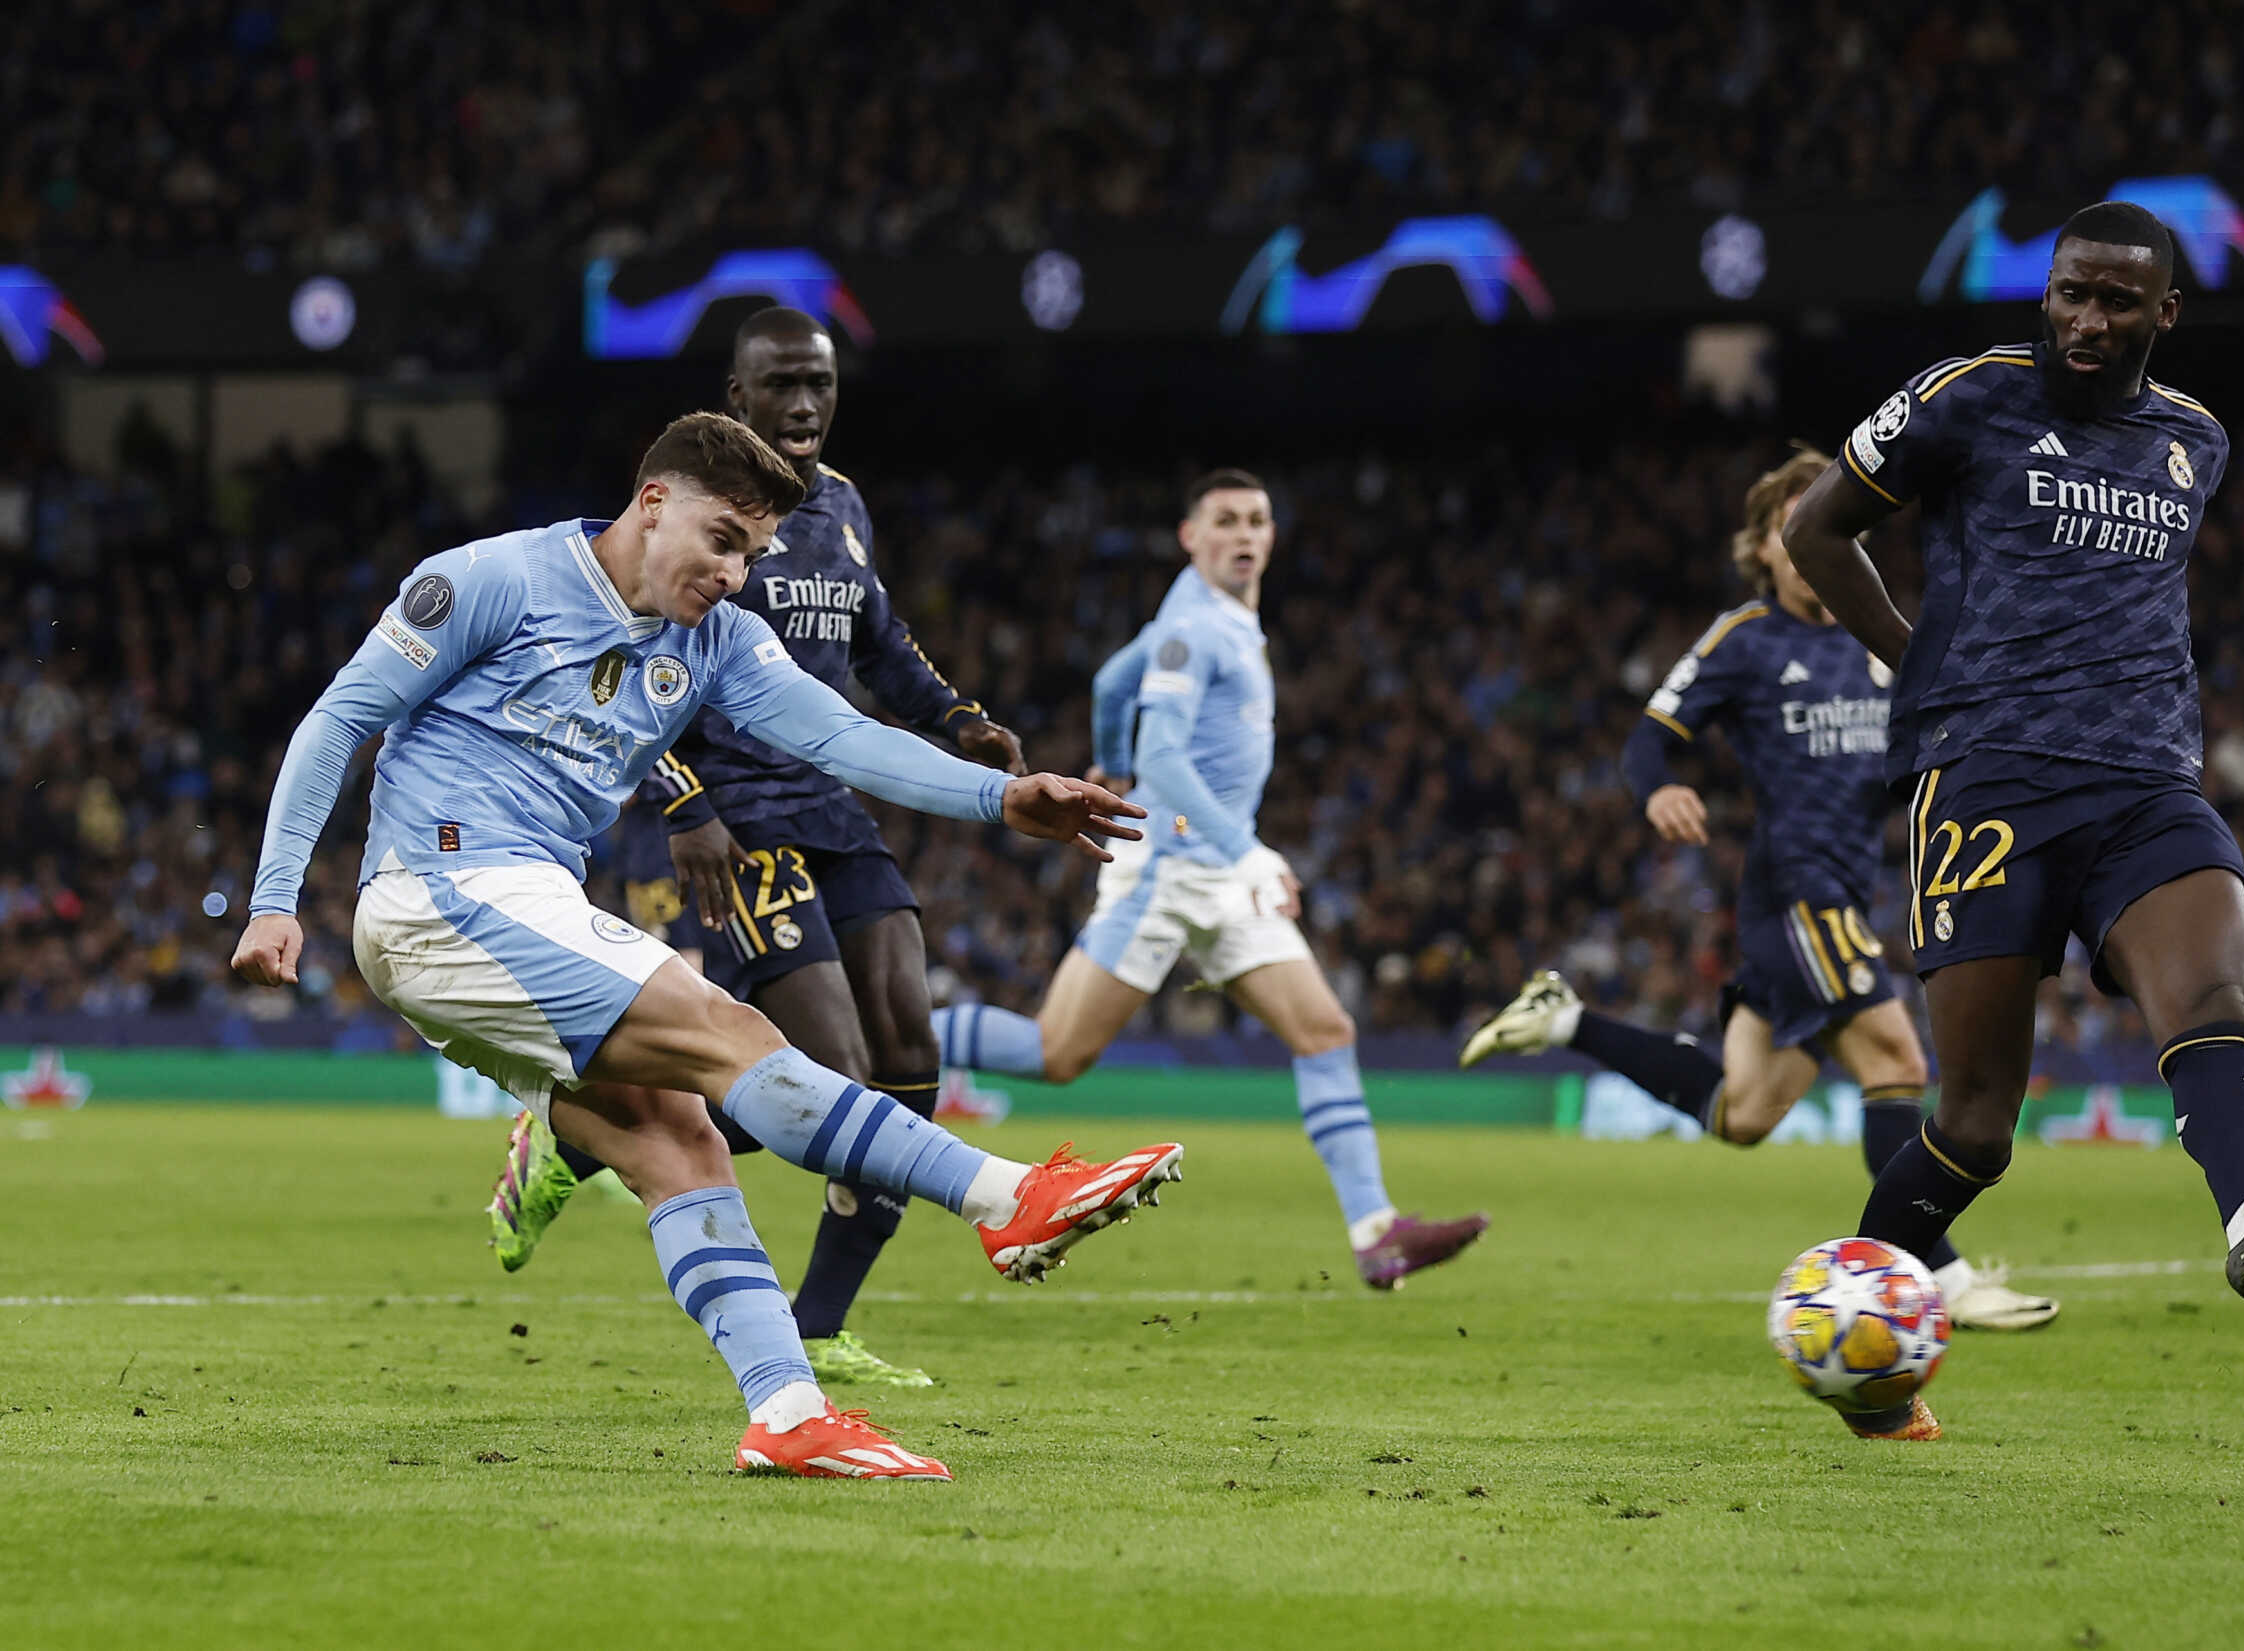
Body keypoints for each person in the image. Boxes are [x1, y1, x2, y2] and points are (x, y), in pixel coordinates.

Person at [234, 411, 1184, 1480]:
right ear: (653, 503)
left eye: (753, 553)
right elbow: (339, 720)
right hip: (439, 888)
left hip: (516, 901)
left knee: (676, 1139)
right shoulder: (493, 579)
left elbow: (841, 735)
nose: (735, 573)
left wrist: (999, 797)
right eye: (722, 539)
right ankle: (1008, 1198)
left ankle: (787, 1412)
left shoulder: (718, 640)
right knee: (729, 1030)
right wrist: (275, 899)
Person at [1779, 201, 2244, 1440]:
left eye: (2116, 301)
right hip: (1987, 782)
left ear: (2163, 313)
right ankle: (1859, 1350)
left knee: (2210, 995)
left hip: (2144, 781)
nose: (2086, 317)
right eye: (2071, 292)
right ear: (2048, 293)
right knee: (1974, 1127)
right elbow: (1817, 529)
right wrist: (1917, 665)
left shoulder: (2194, 440)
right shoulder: (1966, 396)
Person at [485, 306, 1026, 1393]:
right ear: (737, 398)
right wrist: (684, 800)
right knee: (831, 1076)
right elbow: (626, 665)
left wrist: (956, 720)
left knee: (907, 1059)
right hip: (734, 814)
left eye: (820, 382)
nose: (806, 402)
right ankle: (578, 1136)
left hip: (829, 806)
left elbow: (881, 641)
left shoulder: (844, 508)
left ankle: (820, 1323)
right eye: (782, 383)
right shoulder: (699, 516)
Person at [1459, 447, 2055, 1332]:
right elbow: (1649, 739)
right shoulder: (1744, 638)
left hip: (1843, 891)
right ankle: (1945, 1281)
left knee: (1745, 1112)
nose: (1811, 539)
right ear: (1766, 548)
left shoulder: (1882, 634)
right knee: (1896, 1063)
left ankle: (1566, 1019)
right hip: (1796, 895)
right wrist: (1658, 789)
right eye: (1791, 525)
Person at [932, 471, 1487, 1289]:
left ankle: (1377, 1231)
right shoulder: (1196, 627)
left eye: (1257, 520)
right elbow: (1163, 757)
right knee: (1056, 1052)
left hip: (1216, 870)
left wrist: (1109, 763)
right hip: (1171, 867)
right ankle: (890, 1035)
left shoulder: (1201, 618)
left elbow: (1112, 683)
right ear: (1191, 536)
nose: (1244, 534)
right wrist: (1242, 845)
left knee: (1325, 1029)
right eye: (1225, 520)